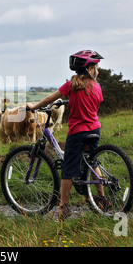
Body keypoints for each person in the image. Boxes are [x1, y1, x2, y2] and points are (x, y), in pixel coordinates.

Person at [27, 50, 106, 220]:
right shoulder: (97, 87)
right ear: (90, 70)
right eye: (96, 67)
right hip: (95, 130)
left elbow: (50, 98)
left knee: (68, 170)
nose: (97, 71)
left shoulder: (71, 86)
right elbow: (96, 103)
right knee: (93, 162)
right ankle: (101, 198)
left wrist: (34, 107)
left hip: (77, 132)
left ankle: (63, 207)